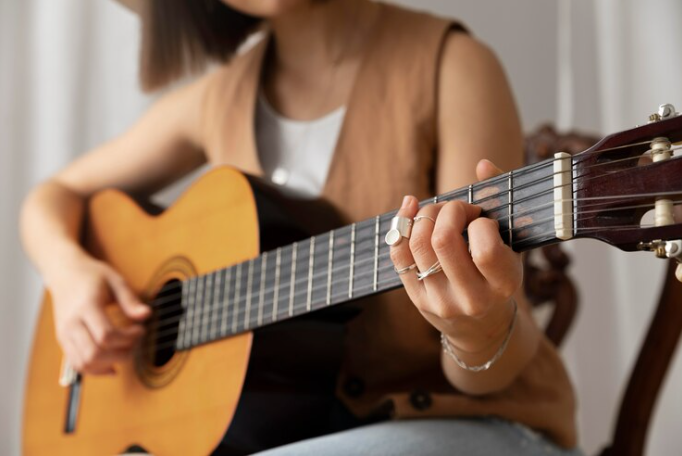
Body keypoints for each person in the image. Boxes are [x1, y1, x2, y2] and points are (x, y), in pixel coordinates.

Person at [20, 0, 582, 454]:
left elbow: (496, 372)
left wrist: (476, 326)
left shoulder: (451, 66)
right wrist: (71, 277)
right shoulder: (213, 100)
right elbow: (50, 198)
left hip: (478, 423)